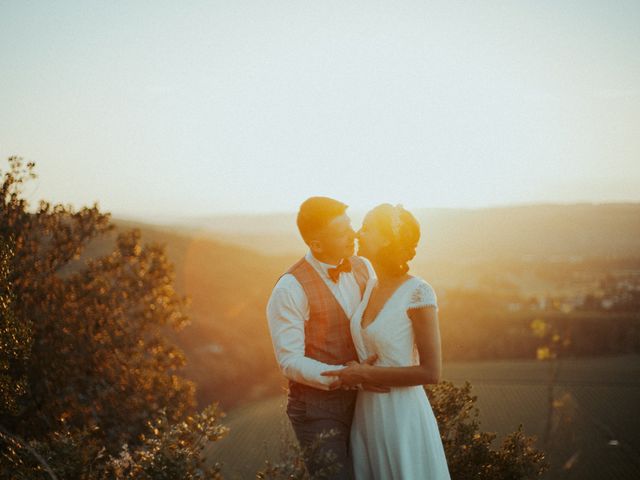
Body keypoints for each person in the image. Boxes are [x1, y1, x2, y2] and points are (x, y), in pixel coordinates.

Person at [322, 203, 452, 479]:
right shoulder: (370, 285)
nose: (357, 233)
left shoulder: (418, 292)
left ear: (387, 240)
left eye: (367, 228)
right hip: (367, 415)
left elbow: (432, 372)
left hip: (402, 416)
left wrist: (366, 373)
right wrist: (357, 373)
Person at [266, 196, 382, 479]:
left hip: (368, 400)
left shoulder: (364, 267)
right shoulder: (290, 288)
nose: (353, 234)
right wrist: (343, 375)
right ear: (316, 244)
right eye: (342, 231)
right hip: (318, 410)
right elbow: (289, 360)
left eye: (350, 224)